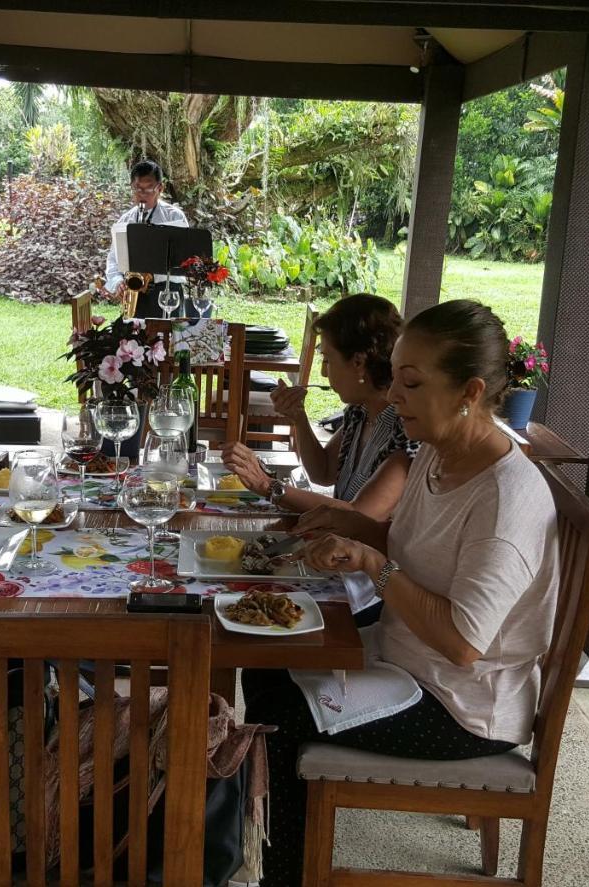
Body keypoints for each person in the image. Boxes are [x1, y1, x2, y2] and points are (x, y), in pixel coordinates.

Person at [242, 299, 561, 885]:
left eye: (411, 383)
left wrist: (373, 562)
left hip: (463, 706)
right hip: (406, 657)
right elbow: (409, 540)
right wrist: (355, 527)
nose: (393, 397)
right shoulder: (440, 458)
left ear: (469, 391)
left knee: (276, 722)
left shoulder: (504, 499)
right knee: (263, 663)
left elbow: (465, 642)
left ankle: (282, 875)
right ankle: (278, 854)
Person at [222, 293, 413, 521]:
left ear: (359, 363)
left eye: (327, 360)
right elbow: (322, 473)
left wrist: (267, 484)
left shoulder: (406, 429)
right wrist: (299, 419)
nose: (323, 372)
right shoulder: (360, 412)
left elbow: (361, 516)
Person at [102, 160, 207, 319]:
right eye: (137, 189)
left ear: (160, 188)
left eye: (148, 189)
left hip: (168, 292)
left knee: (168, 339)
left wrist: (151, 275)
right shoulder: (125, 220)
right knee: (132, 340)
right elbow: (113, 261)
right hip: (134, 295)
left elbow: (185, 263)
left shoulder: (174, 217)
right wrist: (118, 282)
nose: (142, 195)